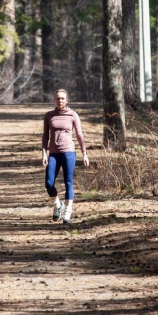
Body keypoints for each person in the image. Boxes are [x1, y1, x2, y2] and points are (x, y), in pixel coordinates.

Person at [42, 89, 89, 224]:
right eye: (58, 98)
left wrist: (84, 154)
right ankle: (57, 205)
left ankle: (68, 211)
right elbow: (45, 136)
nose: (60, 101)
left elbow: (80, 135)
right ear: (54, 100)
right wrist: (44, 153)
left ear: (67, 100)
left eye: (63, 98)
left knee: (68, 182)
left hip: (68, 152)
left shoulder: (73, 115)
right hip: (53, 153)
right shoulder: (49, 116)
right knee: (49, 183)